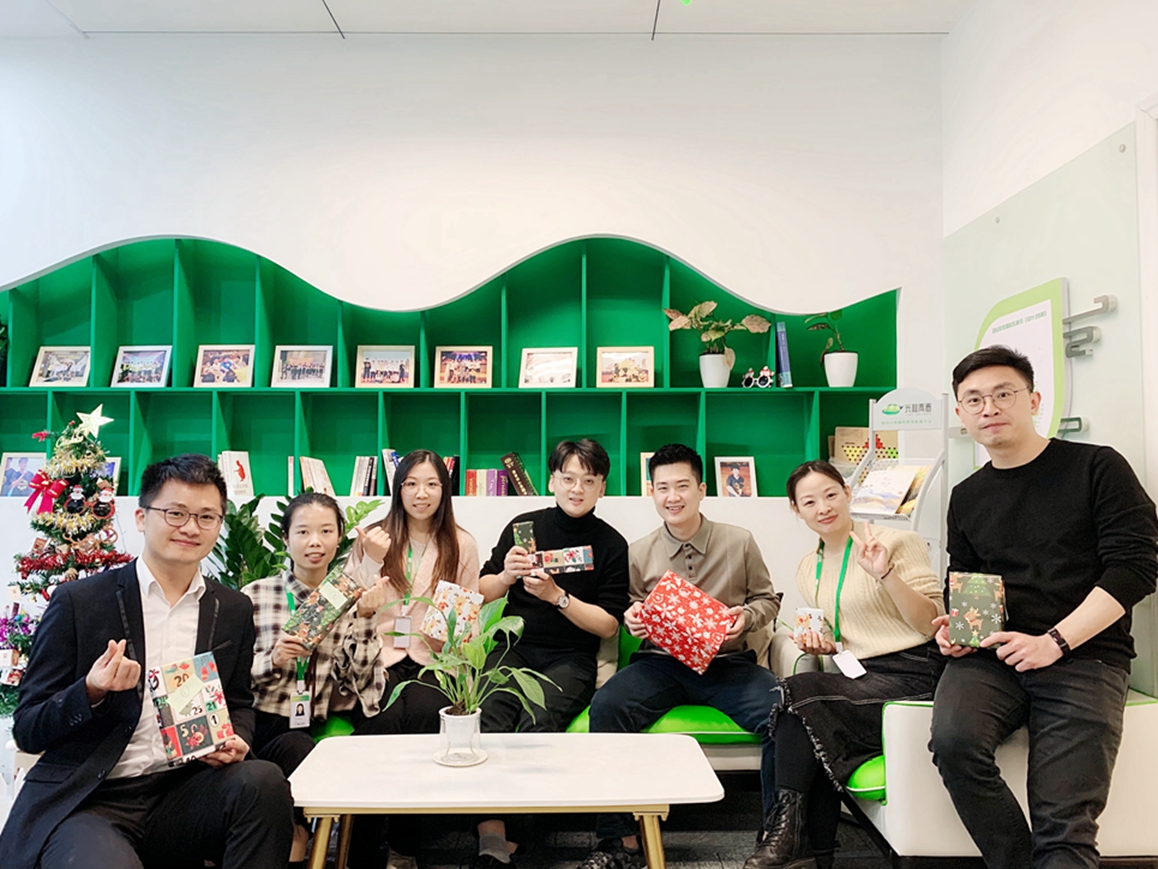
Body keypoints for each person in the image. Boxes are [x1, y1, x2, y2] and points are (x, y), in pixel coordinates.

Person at [0, 453, 293, 869]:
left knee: (262, 781)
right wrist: (91, 691)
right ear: (141, 517)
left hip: (182, 792)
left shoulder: (232, 608)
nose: (191, 527)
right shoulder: (80, 603)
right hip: (93, 799)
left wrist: (237, 738)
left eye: (206, 517)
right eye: (176, 513)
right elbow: (29, 727)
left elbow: (239, 703)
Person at [929, 345, 1158, 869]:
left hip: (1085, 654)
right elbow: (966, 579)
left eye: (1003, 394)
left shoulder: (1097, 466)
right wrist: (957, 629)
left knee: (1064, 821)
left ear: (1033, 400)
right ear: (961, 413)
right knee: (954, 744)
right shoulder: (966, 495)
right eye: (974, 399)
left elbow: (1136, 568)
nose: (989, 408)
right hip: (994, 656)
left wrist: (1054, 642)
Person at [580, 443, 780, 869]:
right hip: (662, 664)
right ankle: (619, 841)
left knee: (784, 711)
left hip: (728, 665)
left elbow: (767, 599)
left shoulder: (739, 541)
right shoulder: (639, 551)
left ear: (702, 489)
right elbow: (631, 606)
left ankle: (776, 835)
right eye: (662, 487)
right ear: (651, 492)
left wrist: (746, 617)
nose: (673, 496)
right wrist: (633, 618)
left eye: (683, 486)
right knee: (608, 706)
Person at [744, 460, 944, 869]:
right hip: (865, 675)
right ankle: (808, 847)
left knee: (799, 697)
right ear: (796, 510)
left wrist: (885, 574)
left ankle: (789, 834)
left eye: (831, 494)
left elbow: (931, 622)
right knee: (805, 709)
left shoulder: (894, 543)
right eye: (809, 502)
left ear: (848, 494)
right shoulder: (809, 567)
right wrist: (823, 645)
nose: (823, 508)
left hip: (917, 670)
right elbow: (847, 636)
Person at [474, 439, 630, 869]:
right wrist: (506, 576)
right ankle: (491, 839)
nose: (577, 489)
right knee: (487, 719)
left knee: (537, 722)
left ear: (602, 487)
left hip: (570, 657)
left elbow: (609, 625)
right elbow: (481, 592)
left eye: (589, 481)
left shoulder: (611, 544)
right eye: (568, 478)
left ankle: (517, 840)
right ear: (552, 481)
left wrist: (557, 596)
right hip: (512, 648)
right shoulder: (523, 527)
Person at [346, 449, 481, 869]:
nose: (421, 494)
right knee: (380, 722)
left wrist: (450, 637)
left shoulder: (461, 543)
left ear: (445, 490)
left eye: (432, 484)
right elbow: (346, 599)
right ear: (398, 489)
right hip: (377, 656)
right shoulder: (374, 537)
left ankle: (405, 849)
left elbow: (468, 614)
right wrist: (371, 558)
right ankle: (361, 850)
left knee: (425, 719)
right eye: (411, 484)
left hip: (433, 660)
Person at [243, 491, 392, 866]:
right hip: (259, 721)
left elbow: (367, 686)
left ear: (339, 538)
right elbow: (231, 678)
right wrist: (273, 659)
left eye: (326, 531)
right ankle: (296, 839)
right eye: (303, 532)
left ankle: (326, 849)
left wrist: (366, 620)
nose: (315, 542)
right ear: (285, 538)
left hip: (309, 722)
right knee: (297, 749)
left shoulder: (347, 600)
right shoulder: (255, 595)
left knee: (358, 749)